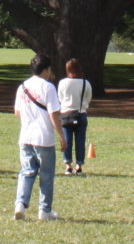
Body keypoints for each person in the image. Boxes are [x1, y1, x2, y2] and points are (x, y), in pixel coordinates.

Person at [13, 53, 65, 222]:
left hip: (25, 136)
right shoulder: (48, 87)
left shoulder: (23, 86)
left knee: (27, 172)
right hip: (44, 138)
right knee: (46, 175)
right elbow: (54, 114)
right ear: (47, 69)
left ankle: (20, 204)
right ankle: (44, 210)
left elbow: (17, 112)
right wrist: (62, 136)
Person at [58, 59, 92, 174]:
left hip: (66, 114)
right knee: (80, 141)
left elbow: (60, 98)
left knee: (67, 140)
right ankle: (79, 165)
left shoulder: (62, 82)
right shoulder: (85, 83)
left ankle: (68, 165)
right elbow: (88, 98)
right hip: (80, 114)